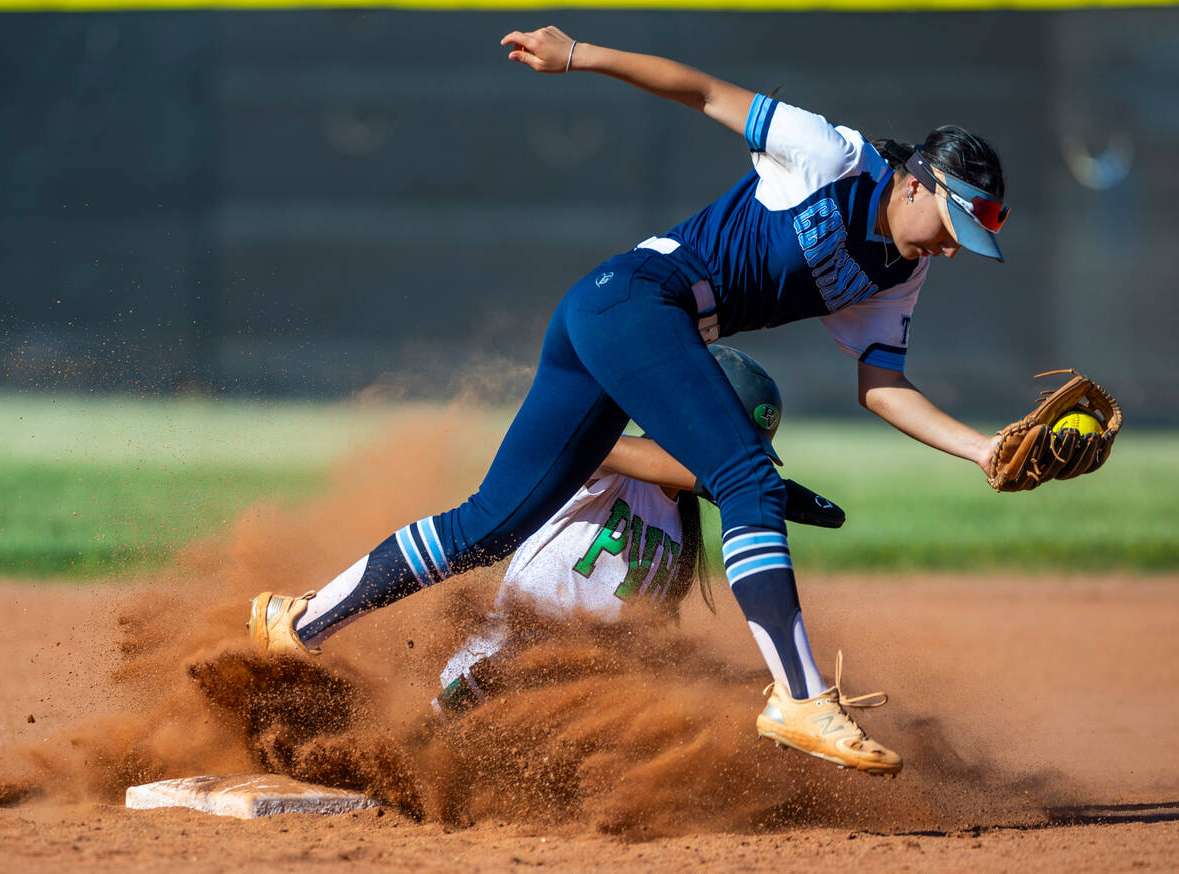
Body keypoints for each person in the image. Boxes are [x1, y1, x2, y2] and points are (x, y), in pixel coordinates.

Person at [249, 25, 1011, 778]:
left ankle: (299, 623)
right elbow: (704, 91)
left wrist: (983, 450)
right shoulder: (832, 156)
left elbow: (882, 388)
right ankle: (801, 697)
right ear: (916, 182)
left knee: (491, 524)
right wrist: (579, 56)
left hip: (615, 318)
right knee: (746, 477)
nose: (948, 249)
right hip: (639, 299)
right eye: (949, 227)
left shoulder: (900, 273)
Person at [426, 346, 842, 719]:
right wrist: (751, 485)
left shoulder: (682, 526)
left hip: (567, 702)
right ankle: (412, 746)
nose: (740, 460)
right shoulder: (608, 467)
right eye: (736, 447)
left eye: (747, 453)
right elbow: (592, 447)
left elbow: (648, 641)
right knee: (521, 663)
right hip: (487, 682)